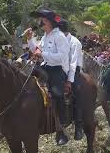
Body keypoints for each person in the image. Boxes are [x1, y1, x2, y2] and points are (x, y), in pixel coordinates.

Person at [29, 8, 70, 145]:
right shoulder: (46, 36)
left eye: (43, 21)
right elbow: (37, 50)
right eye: (40, 21)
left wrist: (43, 55)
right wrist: (30, 40)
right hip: (46, 67)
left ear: (51, 22)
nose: (41, 23)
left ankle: (61, 129)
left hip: (58, 70)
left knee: (57, 94)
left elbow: (61, 58)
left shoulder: (59, 36)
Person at [58, 19, 84, 140]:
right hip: (60, 70)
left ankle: (79, 125)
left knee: (77, 92)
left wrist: (69, 80)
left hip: (73, 70)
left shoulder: (74, 42)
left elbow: (73, 64)